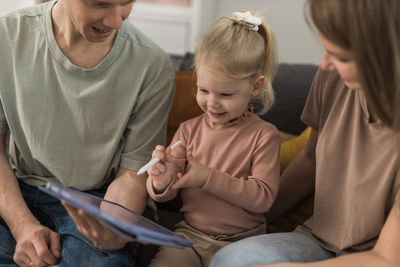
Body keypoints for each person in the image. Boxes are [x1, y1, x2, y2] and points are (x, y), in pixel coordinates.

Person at [210, 0, 400, 266]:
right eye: (326, 50)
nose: (325, 64)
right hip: (318, 241)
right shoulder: (334, 78)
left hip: (376, 257)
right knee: (233, 259)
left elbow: (387, 258)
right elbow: (311, 160)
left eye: (342, 57)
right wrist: (251, 222)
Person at [0, 0, 175, 266]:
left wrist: (114, 227)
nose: (117, 21)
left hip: (98, 201)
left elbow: (133, 174)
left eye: (127, 2)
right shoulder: (6, 37)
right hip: (13, 190)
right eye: (101, 4)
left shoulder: (151, 65)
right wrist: (22, 225)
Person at [145, 10, 280, 267]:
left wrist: (207, 177)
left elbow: (262, 198)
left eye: (226, 94)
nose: (212, 103)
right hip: (190, 237)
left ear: (255, 87)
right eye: (204, 90)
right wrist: (161, 182)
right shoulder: (187, 130)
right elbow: (169, 194)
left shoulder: (264, 136)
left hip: (244, 242)